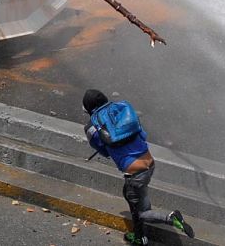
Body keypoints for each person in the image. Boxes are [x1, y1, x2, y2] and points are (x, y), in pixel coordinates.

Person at [83, 89, 195, 245]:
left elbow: (105, 152)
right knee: (132, 196)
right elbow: (143, 135)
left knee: (141, 212)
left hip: (135, 173)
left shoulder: (92, 127)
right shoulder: (122, 111)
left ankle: (170, 218)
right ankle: (140, 236)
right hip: (150, 164)